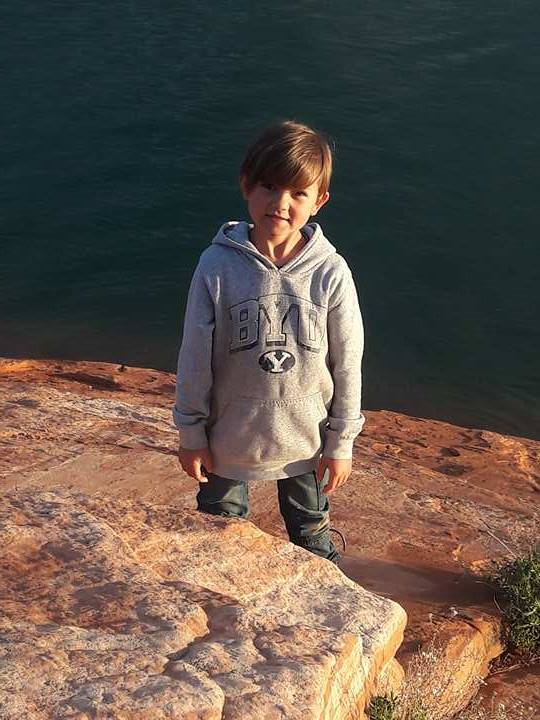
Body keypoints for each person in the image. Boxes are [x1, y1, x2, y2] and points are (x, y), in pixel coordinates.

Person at [173, 120, 365, 565]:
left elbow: (347, 361)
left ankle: (328, 600)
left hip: (307, 438)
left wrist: (341, 442)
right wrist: (191, 432)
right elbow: (194, 355)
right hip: (228, 437)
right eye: (269, 186)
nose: (280, 203)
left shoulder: (330, 272)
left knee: (311, 536)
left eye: (298, 193)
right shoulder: (216, 266)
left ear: (319, 201)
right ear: (246, 185)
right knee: (219, 537)